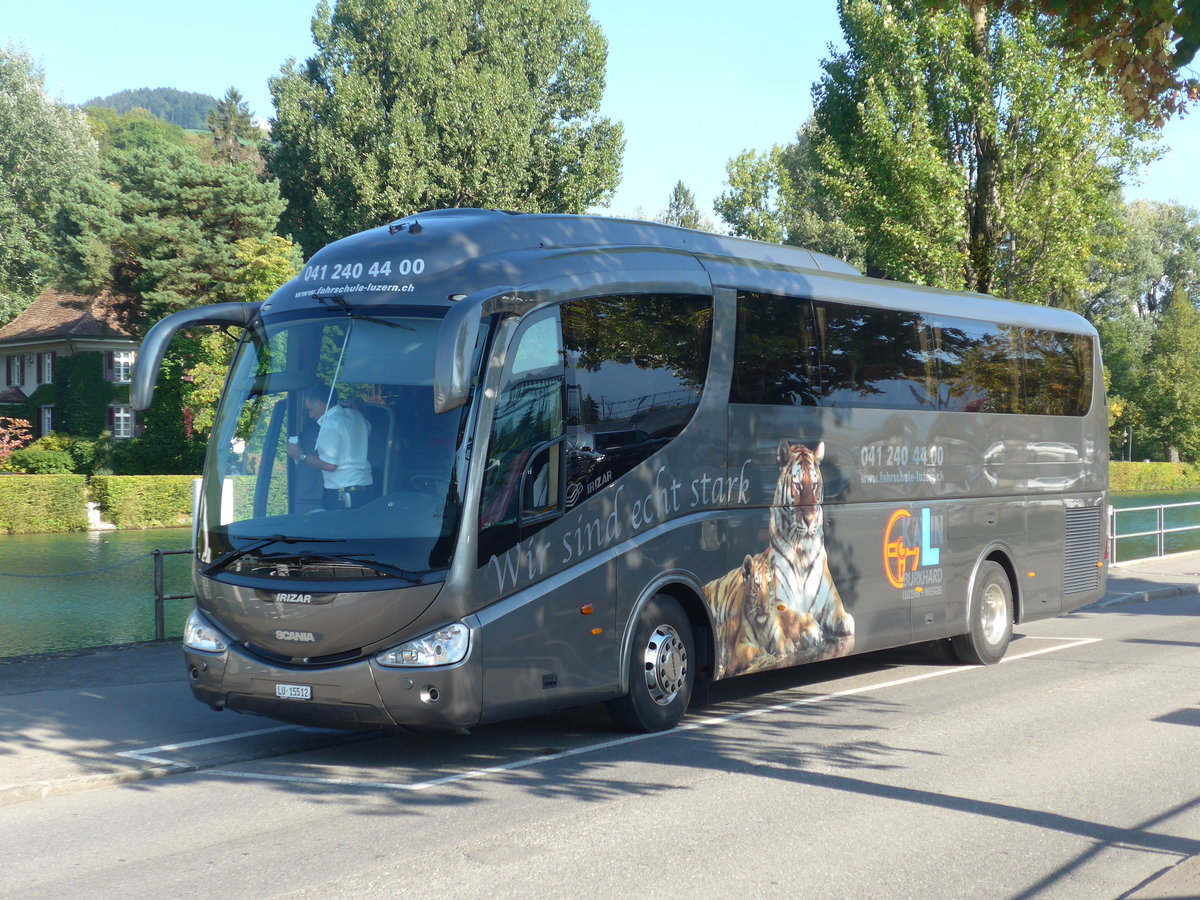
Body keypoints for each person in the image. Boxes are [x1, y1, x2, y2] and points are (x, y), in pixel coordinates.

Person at [286, 385, 376, 509]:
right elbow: (368, 431)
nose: (310, 415)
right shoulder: (356, 415)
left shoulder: (330, 424)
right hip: (363, 488)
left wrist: (301, 456)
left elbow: (330, 465)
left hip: (344, 494)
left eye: (310, 409)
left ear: (321, 404)